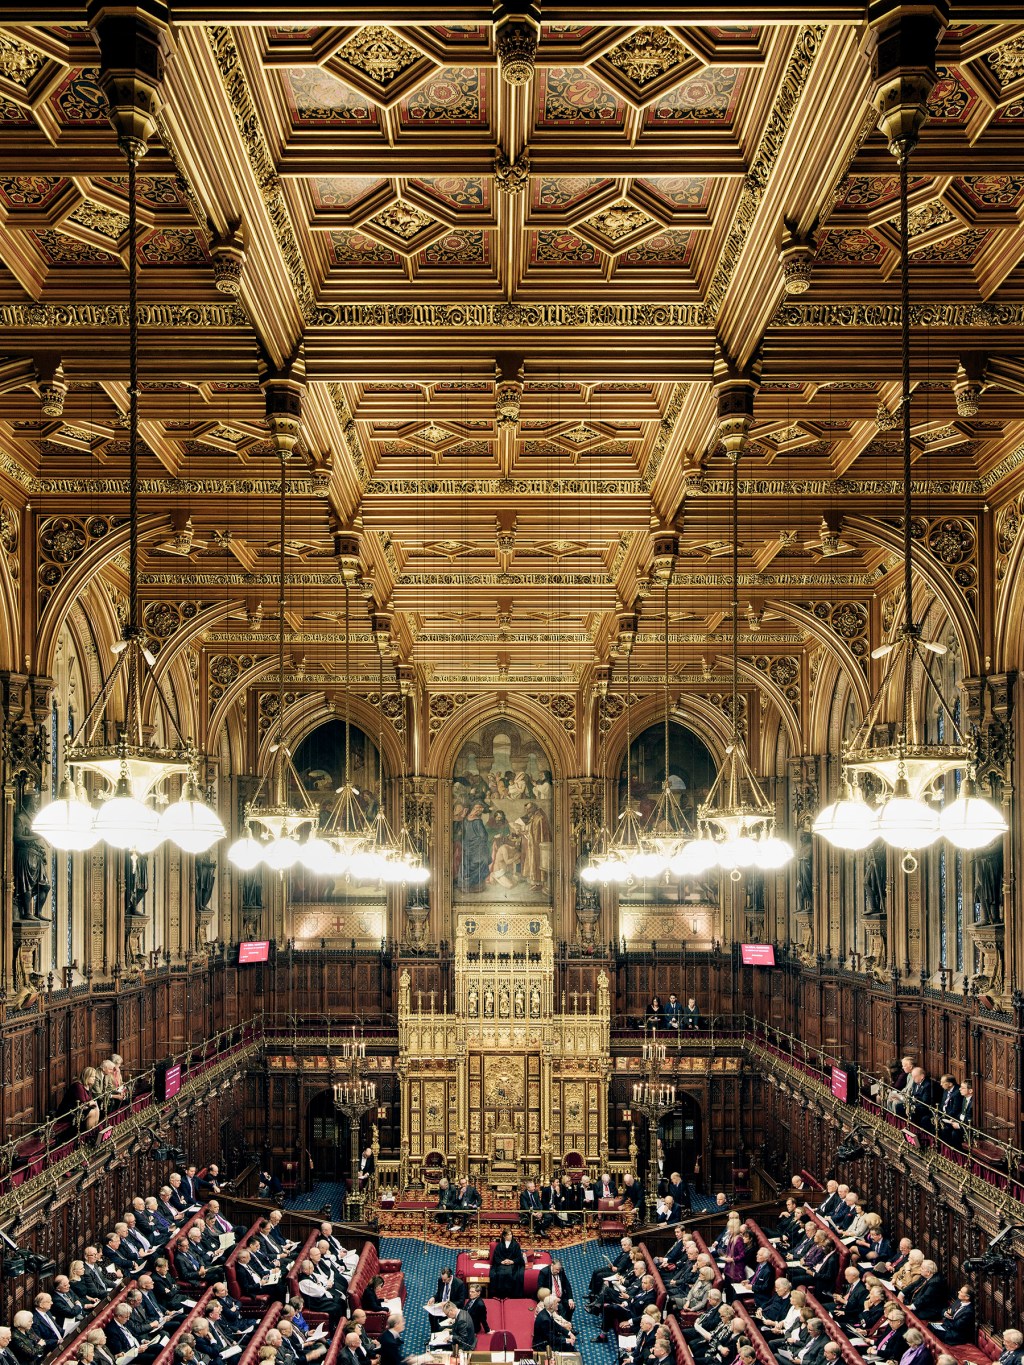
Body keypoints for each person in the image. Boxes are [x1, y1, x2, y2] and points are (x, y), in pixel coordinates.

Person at [490, 1228, 525, 1299]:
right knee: (499, 1274)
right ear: (504, 1236)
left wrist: (512, 1261)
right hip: (501, 1264)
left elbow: (518, 1257)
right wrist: (501, 1261)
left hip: (512, 1264)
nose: (510, 1236)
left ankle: (509, 1295)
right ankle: (500, 1295)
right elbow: (496, 1256)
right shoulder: (499, 1245)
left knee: (509, 1274)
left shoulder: (516, 1245)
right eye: (508, 1235)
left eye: (511, 1234)